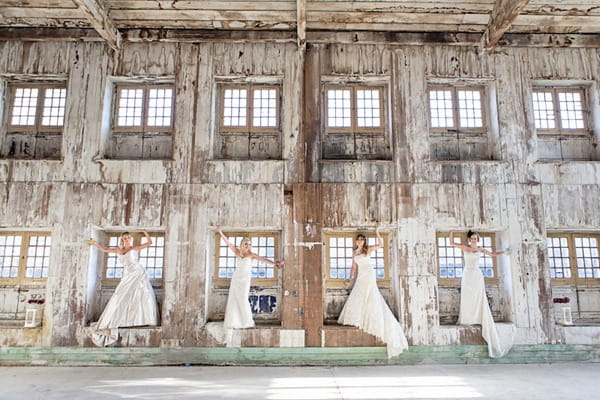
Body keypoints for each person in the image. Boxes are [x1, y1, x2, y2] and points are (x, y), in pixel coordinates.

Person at [337, 226, 408, 358]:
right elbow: (353, 267)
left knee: (370, 294)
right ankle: (359, 317)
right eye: (358, 240)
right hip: (360, 275)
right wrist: (349, 277)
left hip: (369, 274)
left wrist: (377, 232)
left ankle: (371, 318)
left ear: (364, 241)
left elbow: (381, 244)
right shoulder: (354, 253)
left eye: (362, 240)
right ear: (356, 241)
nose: (360, 242)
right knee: (358, 294)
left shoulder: (367, 249)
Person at [206, 227, 283, 346]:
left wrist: (275, 264)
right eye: (246, 244)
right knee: (233, 300)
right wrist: (220, 232)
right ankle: (234, 321)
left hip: (245, 280)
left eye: (250, 244)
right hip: (236, 279)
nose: (248, 246)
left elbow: (264, 259)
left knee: (242, 299)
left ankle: (246, 321)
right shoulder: (238, 252)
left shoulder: (252, 255)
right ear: (243, 244)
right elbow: (228, 243)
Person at [449, 230, 513, 358]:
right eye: (472, 238)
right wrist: (452, 231)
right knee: (468, 297)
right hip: (467, 275)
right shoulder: (465, 247)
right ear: (469, 239)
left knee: (478, 297)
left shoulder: (480, 249)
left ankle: (478, 317)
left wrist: (504, 252)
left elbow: (493, 254)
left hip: (477, 275)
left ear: (478, 239)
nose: (473, 240)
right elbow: (451, 243)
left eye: (475, 238)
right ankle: (467, 319)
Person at [87, 231, 158, 347]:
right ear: (122, 240)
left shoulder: (134, 248)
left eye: (128, 238)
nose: (127, 239)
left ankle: (141, 320)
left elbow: (150, 242)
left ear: (131, 239)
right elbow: (105, 250)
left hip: (137, 272)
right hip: (127, 274)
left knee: (139, 295)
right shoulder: (118, 250)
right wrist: (94, 243)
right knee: (120, 296)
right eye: (125, 238)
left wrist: (145, 232)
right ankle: (118, 320)